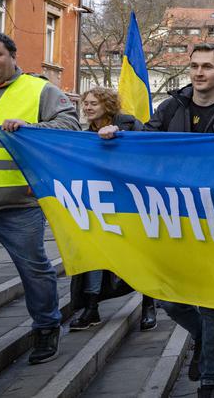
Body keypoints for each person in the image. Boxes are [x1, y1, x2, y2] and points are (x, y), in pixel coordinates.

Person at [135, 42, 214, 398]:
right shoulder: (171, 107)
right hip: (175, 217)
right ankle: (201, 335)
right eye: (194, 66)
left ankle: (210, 380)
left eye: (206, 66)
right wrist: (114, 136)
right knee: (169, 298)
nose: (199, 72)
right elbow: (142, 142)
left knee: (213, 303)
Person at [0, 30, 79, 364]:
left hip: (19, 202)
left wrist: (31, 128)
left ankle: (46, 327)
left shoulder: (39, 89)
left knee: (34, 271)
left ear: (13, 57)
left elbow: (71, 125)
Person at [69, 86, 155, 333]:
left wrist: (121, 135)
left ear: (107, 105)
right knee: (95, 254)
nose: (87, 107)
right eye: (85, 103)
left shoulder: (129, 124)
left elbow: (148, 150)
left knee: (141, 256)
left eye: (93, 103)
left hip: (133, 204)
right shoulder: (86, 136)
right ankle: (91, 306)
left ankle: (149, 304)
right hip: (100, 206)